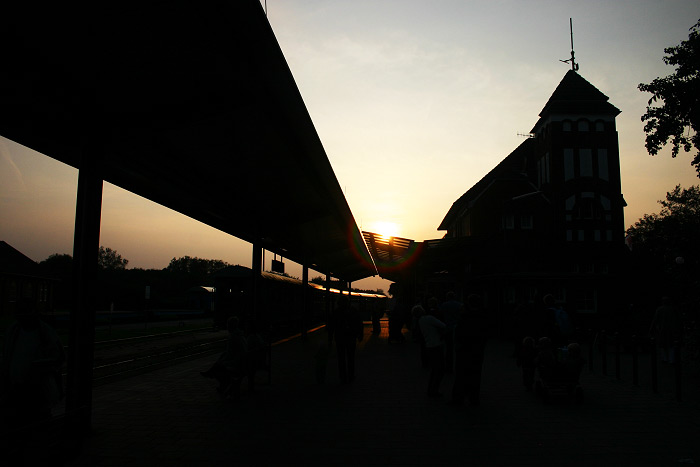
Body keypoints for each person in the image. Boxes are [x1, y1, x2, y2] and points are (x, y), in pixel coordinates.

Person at [1, 299, 65, 464]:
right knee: (26, 425)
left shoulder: (37, 332)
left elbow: (57, 359)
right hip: (18, 387)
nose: (23, 317)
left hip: (36, 389)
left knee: (32, 425)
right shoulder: (19, 331)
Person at [451, 294, 488, 405]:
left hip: (464, 350)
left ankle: (458, 398)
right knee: (475, 374)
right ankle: (474, 397)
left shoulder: (465, 317)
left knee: (461, 374)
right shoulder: (483, 317)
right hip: (477, 350)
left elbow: (460, 334)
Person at [201, 316, 248, 400]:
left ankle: (220, 381)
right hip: (243, 361)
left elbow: (230, 354)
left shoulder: (233, 337)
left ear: (230, 326)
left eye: (227, 325)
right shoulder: (240, 335)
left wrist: (224, 361)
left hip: (238, 364)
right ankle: (217, 380)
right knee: (220, 362)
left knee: (219, 367)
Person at [328, 296, 363, 383]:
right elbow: (359, 324)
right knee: (351, 357)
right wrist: (360, 335)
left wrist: (330, 338)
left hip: (340, 338)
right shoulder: (353, 311)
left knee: (341, 358)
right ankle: (351, 375)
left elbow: (331, 326)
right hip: (351, 337)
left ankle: (342, 376)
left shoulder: (336, 312)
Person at [419, 297, 446, 397]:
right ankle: (434, 390)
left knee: (435, 369)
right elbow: (443, 325)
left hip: (428, 344)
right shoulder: (432, 317)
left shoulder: (421, 320)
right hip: (436, 344)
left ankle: (432, 389)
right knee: (439, 369)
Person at [649, 296, 682, 363]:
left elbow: (655, 320)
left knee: (663, 345)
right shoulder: (673, 309)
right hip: (672, 330)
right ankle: (671, 359)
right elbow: (678, 320)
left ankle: (665, 359)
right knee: (671, 345)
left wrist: (651, 329)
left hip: (662, 329)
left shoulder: (660, 309)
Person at [439, 291, 464, 373]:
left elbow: (441, 315)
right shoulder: (460, 305)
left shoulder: (444, 305)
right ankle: (458, 366)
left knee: (449, 349)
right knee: (458, 348)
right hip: (457, 328)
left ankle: (449, 367)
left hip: (448, 328)